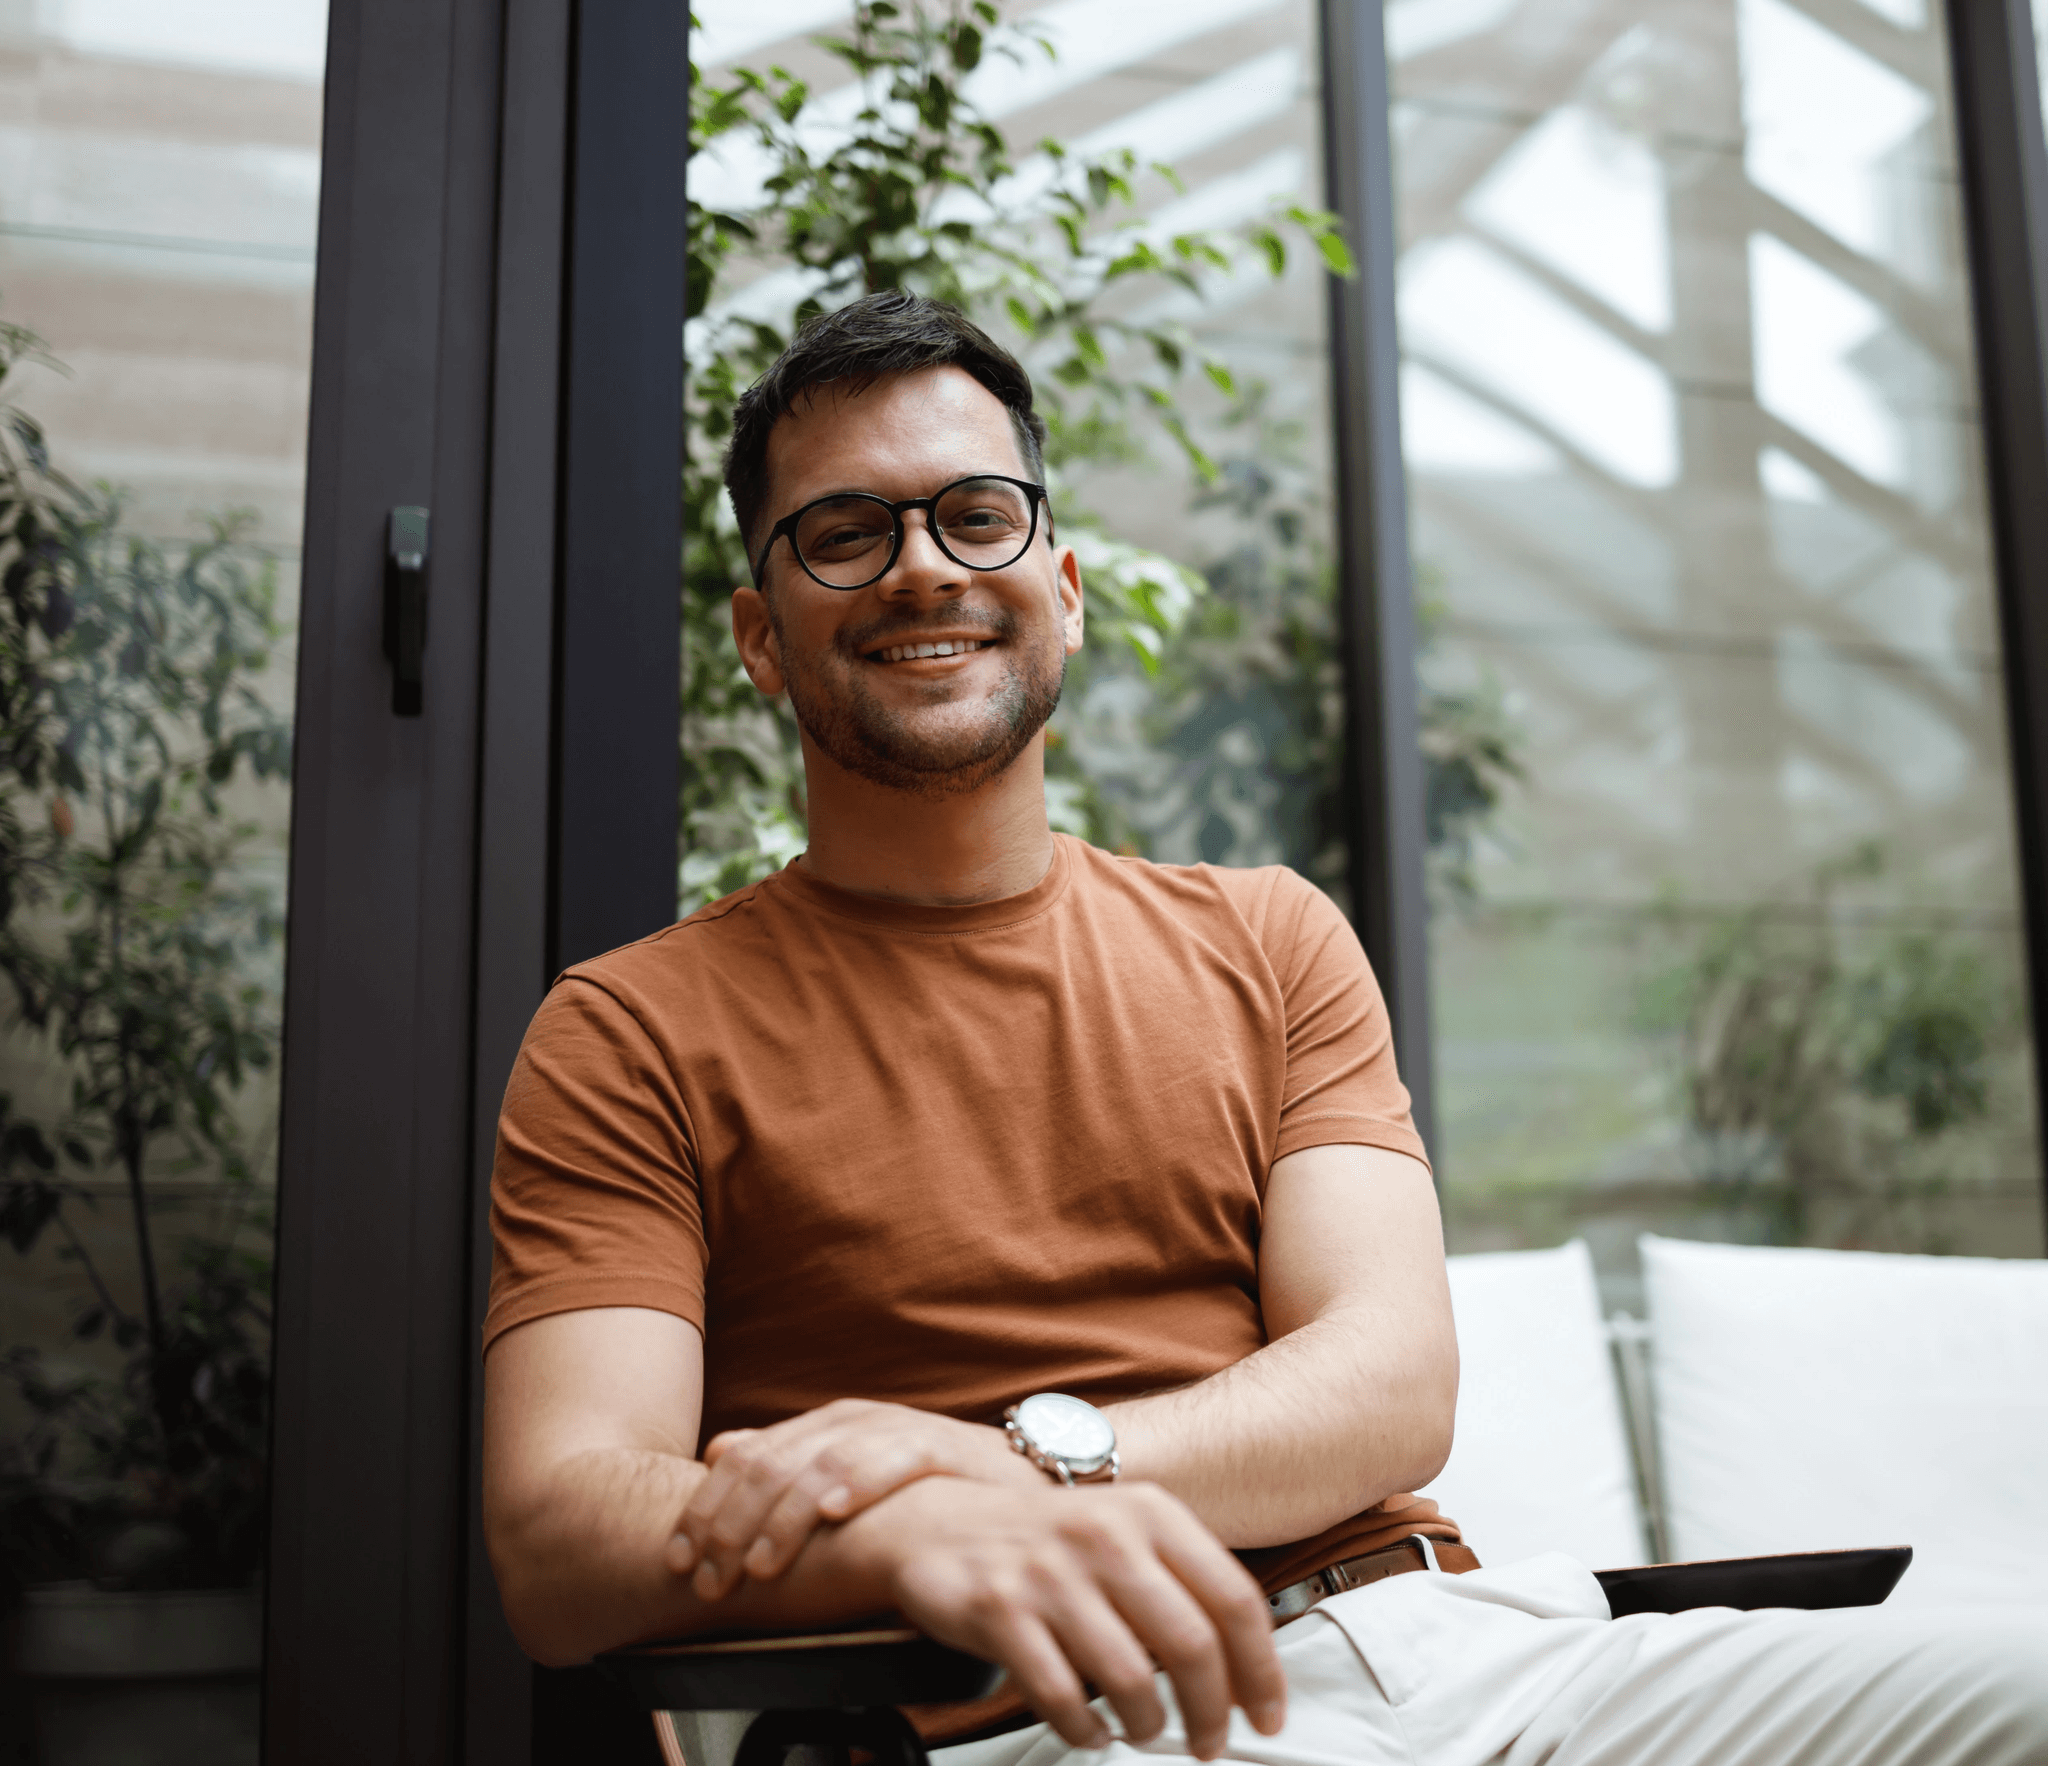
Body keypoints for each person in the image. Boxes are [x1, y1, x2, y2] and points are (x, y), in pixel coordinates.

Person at [481, 291, 2046, 1766]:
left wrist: (1006, 1466)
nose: (923, 570)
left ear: (1065, 590)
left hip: (1471, 1645)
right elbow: (560, 1536)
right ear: (760, 636)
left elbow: (1387, 1384)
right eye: (845, 533)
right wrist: (895, 1531)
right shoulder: (631, 1032)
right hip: (1082, 1715)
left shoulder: (1268, 934)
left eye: (977, 514)